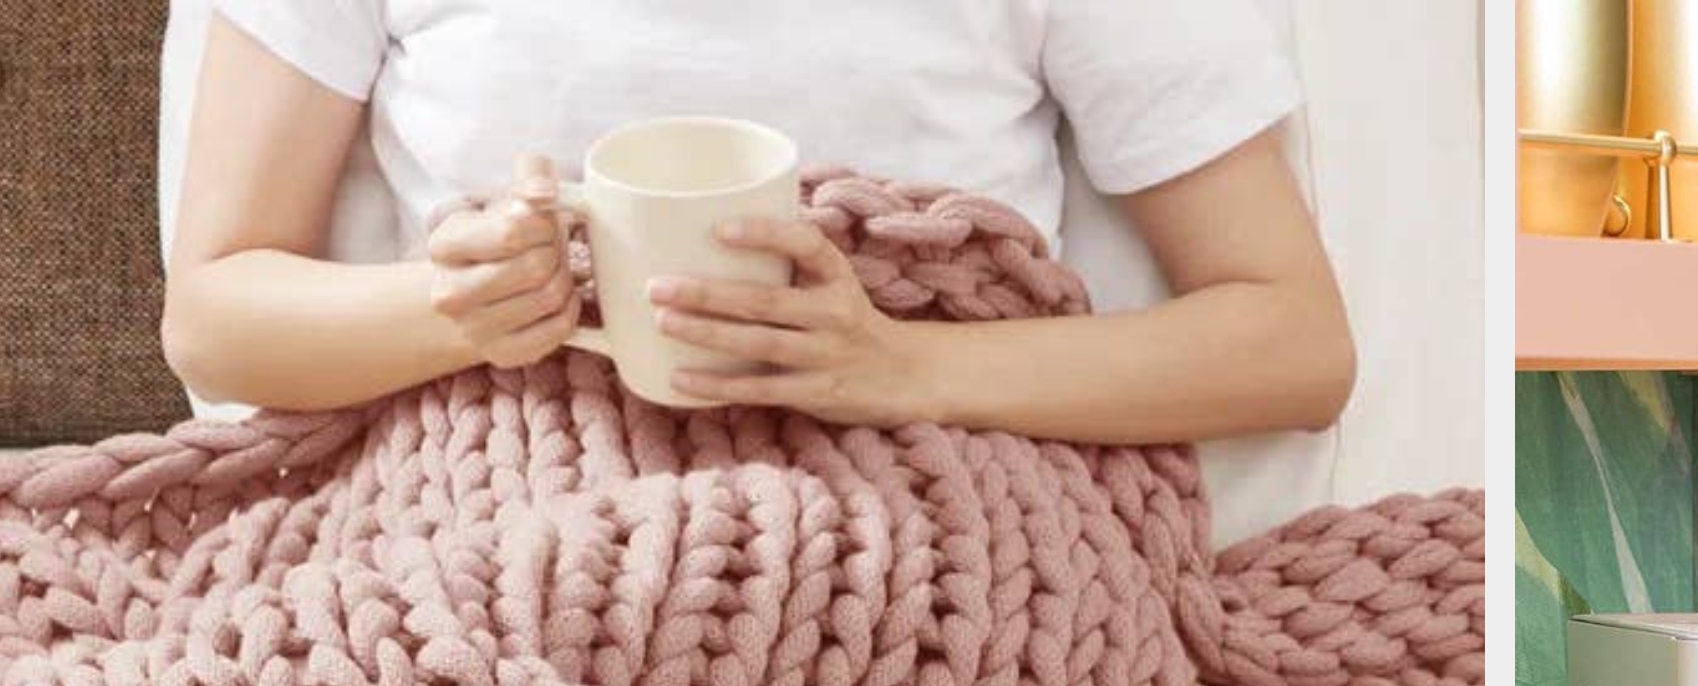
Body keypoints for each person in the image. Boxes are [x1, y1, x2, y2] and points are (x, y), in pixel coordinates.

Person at [157, 0, 1356, 440]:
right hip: (492, 499)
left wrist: (898, 365)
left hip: (939, 527)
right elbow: (216, 320)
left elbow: (1292, 344)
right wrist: (452, 307)